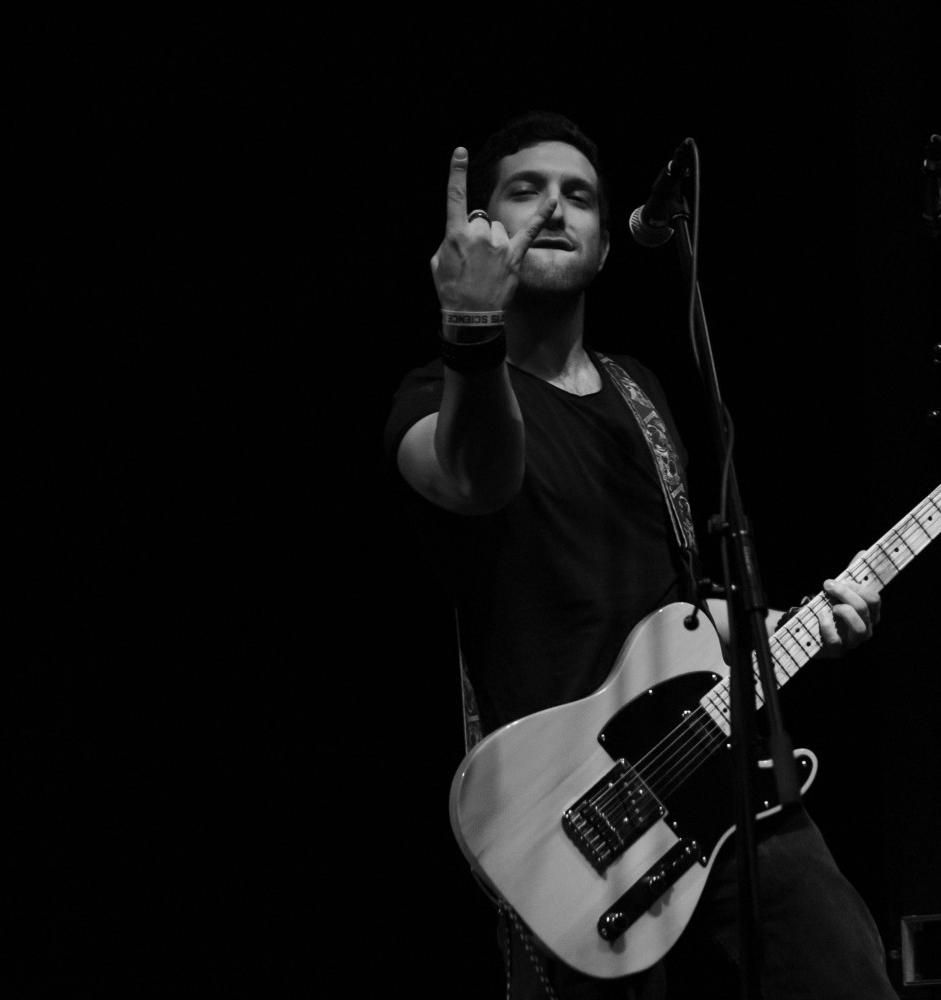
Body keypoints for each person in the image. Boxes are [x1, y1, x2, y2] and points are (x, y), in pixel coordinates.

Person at [384, 112, 898, 999]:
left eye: (579, 196)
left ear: (606, 246)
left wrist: (797, 626)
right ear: (484, 227)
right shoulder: (435, 393)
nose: (555, 208)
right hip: (569, 824)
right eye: (527, 190)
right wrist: (470, 320)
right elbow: (478, 479)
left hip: (717, 778)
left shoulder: (642, 393)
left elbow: (680, 609)